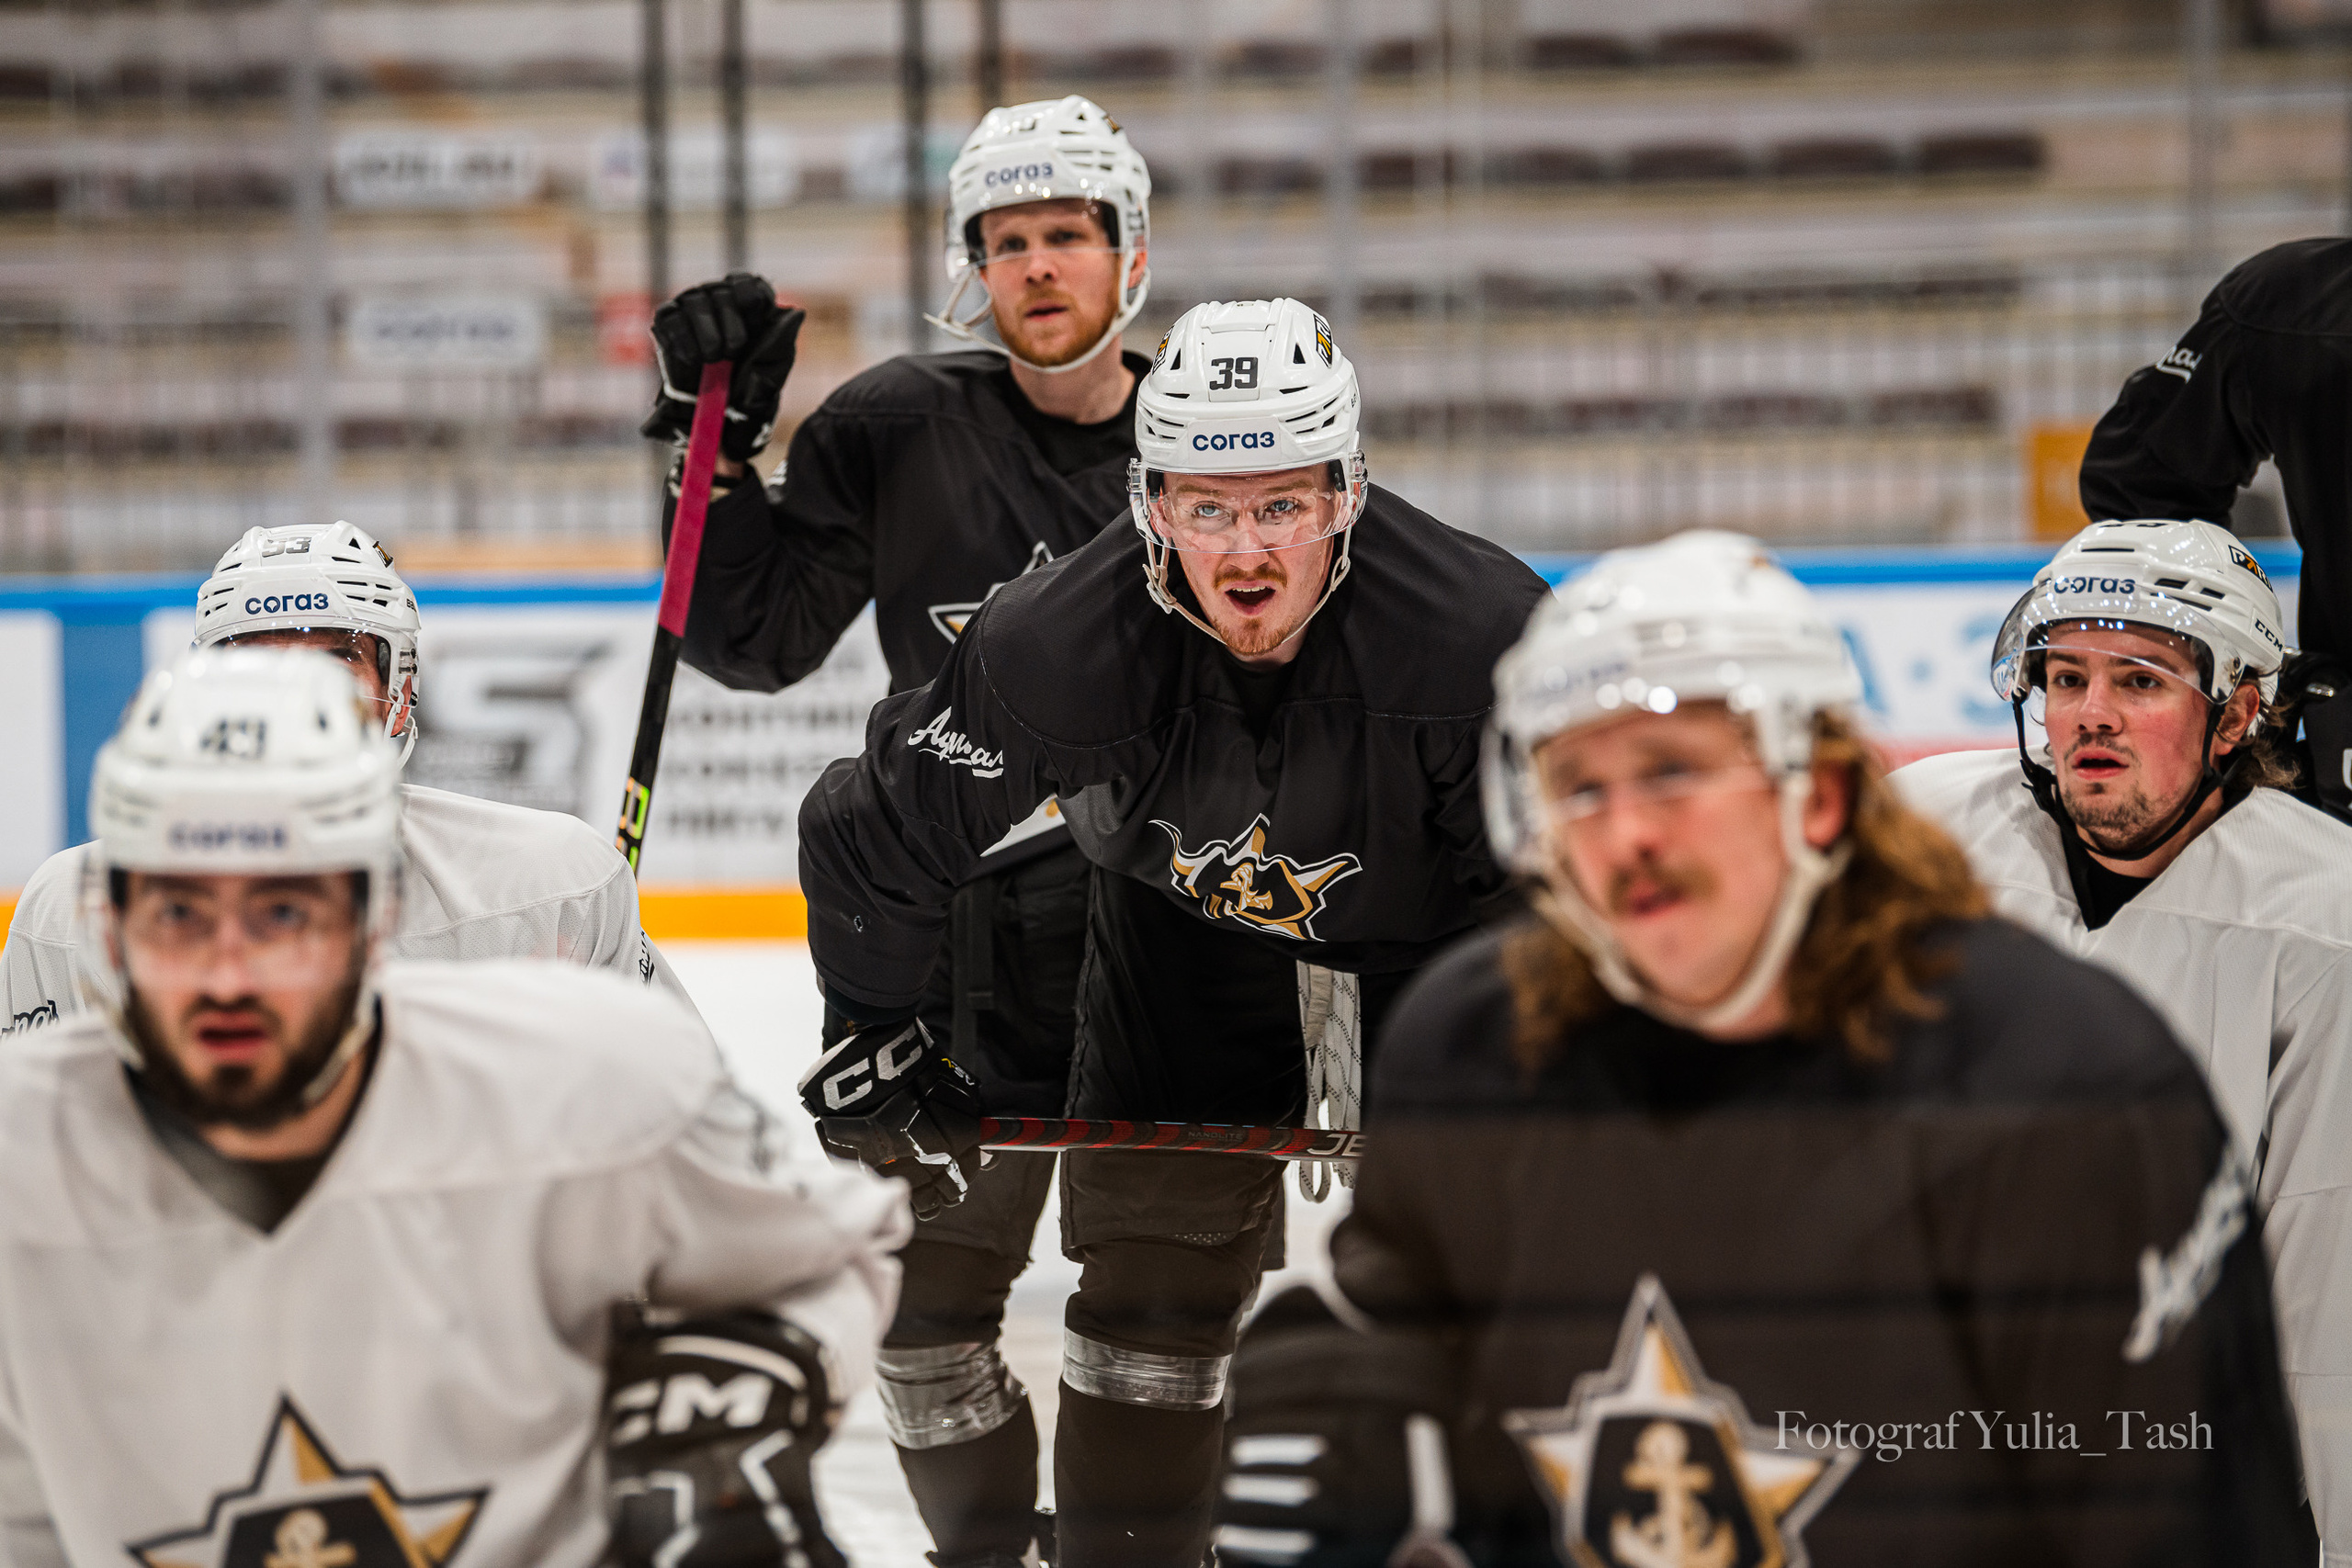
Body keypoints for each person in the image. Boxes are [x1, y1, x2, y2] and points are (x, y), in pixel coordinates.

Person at [1212, 532, 2315, 1567]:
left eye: (1674, 773)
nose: (1626, 831)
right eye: (1579, 787)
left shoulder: (2066, 1082)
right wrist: (1322, 1408)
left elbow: (2180, 1520)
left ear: (1824, 796)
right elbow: (1388, 1317)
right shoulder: (1482, 1038)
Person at [796, 294, 1550, 1566]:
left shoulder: (1482, 637)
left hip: (1436, 940)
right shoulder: (1052, 644)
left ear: (1348, 494)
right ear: (1149, 502)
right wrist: (877, 1029)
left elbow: (1551, 896)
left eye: (1282, 504)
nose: (1244, 547)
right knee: (1158, 1298)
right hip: (1182, 925)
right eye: (1206, 505)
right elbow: (871, 829)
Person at [0, 647, 909, 1568]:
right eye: (180, 915)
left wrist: (742, 1395)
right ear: (109, 930)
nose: (229, 975)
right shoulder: (21, 1165)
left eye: (283, 914)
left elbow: (830, 1254)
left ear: (374, 918)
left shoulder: (588, 1081)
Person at [637, 94, 1154, 1567]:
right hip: (945, 938)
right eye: (1005, 241)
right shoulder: (896, 424)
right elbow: (753, 638)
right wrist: (708, 445)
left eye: (1068, 233)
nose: (1038, 266)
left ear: (1129, 251)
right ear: (968, 264)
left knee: (1163, 1320)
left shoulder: (1211, 432)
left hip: (1165, 933)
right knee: (923, 1323)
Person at [1891, 517, 2352, 1555]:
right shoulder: (1920, 842)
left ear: (2234, 715)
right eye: (2064, 677)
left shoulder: (2324, 919)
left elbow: (2328, 1270)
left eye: (2140, 682)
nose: (2088, 715)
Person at [1, 518, 694, 1039]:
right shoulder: (68, 914)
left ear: (402, 691)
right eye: (261, 664)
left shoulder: (558, 887)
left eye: (336, 662)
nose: (297, 701)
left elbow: (679, 1144)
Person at [2077, 237, 2352, 817]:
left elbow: (2136, 481)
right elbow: (2140, 486)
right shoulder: (2289, 306)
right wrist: (2243, 663)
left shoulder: (2293, 301)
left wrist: (2247, 664)